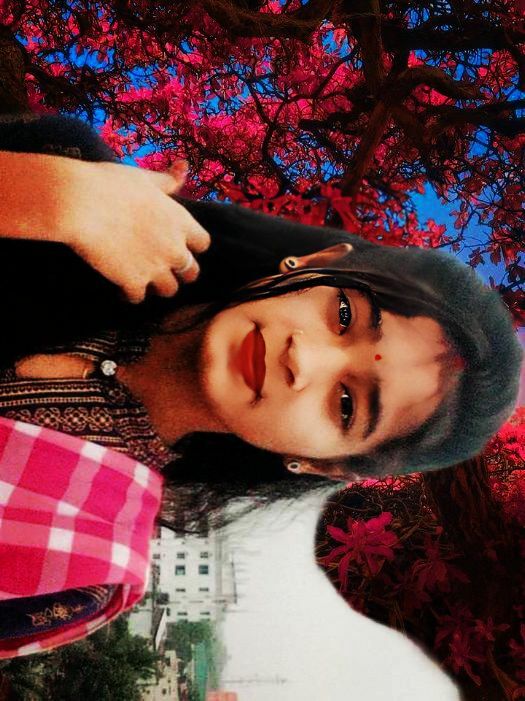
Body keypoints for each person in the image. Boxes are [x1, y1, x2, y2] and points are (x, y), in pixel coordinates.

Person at [0, 111, 522, 531]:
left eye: (346, 403)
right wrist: (48, 198)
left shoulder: (96, 532)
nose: (303, 358)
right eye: (344, 314)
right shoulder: (66, 168)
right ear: (314, 265)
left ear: (324, 464)